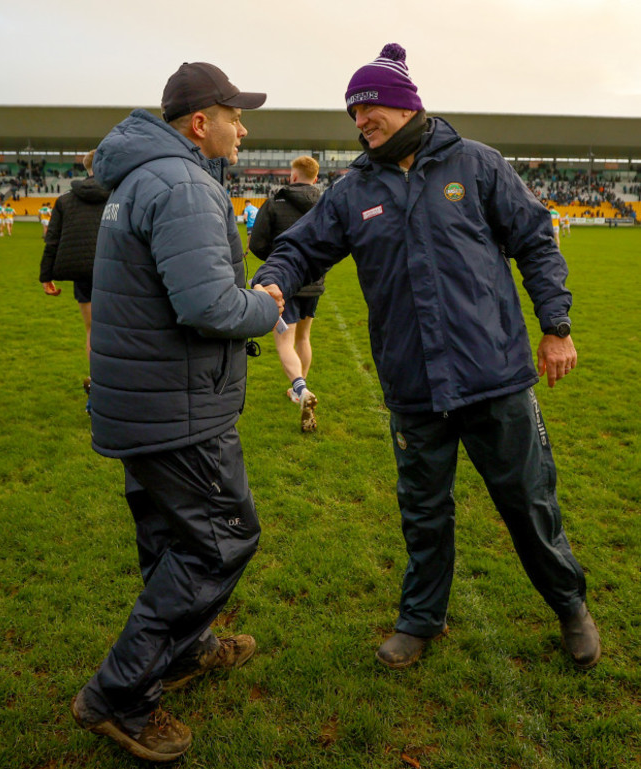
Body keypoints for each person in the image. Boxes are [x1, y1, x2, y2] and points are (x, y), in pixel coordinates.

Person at [253, 43, 600, 673]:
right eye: (352, 114)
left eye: (369, 107)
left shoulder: (478, 164)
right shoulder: (354, 189)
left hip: (495, 375)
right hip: (412, 385)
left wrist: (557, 326)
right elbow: (299, 249)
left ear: (406, 103)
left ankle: (571, 606)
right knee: (423, 512)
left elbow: (536, 243)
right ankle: (421, 618)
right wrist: (276, 277)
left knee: (529, 502)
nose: (360, 121)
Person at [70, 62, 280, 762]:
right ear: (201, 123)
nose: (242, 128)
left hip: (142, 403)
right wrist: (265, 306)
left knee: (168, 537)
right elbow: (208, 305)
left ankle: (186, 650)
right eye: (234, 115)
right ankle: (121, 694)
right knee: (220, 539)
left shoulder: (139, 177)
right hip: (176, 408)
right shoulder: (185, 183)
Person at [249, 155, 322, 432]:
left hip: (280, 281)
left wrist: (276, 263)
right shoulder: (323, 203)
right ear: (315, 179)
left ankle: (301, 390)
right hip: (313, 280)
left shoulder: (275, 201)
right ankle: (298, 390)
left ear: (292, 177)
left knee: (284, 341)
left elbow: (257, 242)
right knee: (304, 337)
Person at [39, 151, 110, 412]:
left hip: (83, 272)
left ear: (86, 167)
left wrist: (46, 276)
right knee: (122, 331)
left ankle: (97, 393)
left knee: (93, 331)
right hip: (117, 272)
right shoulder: (121, 196)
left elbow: (52, 240)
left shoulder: (65, 200)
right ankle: (121, 391)